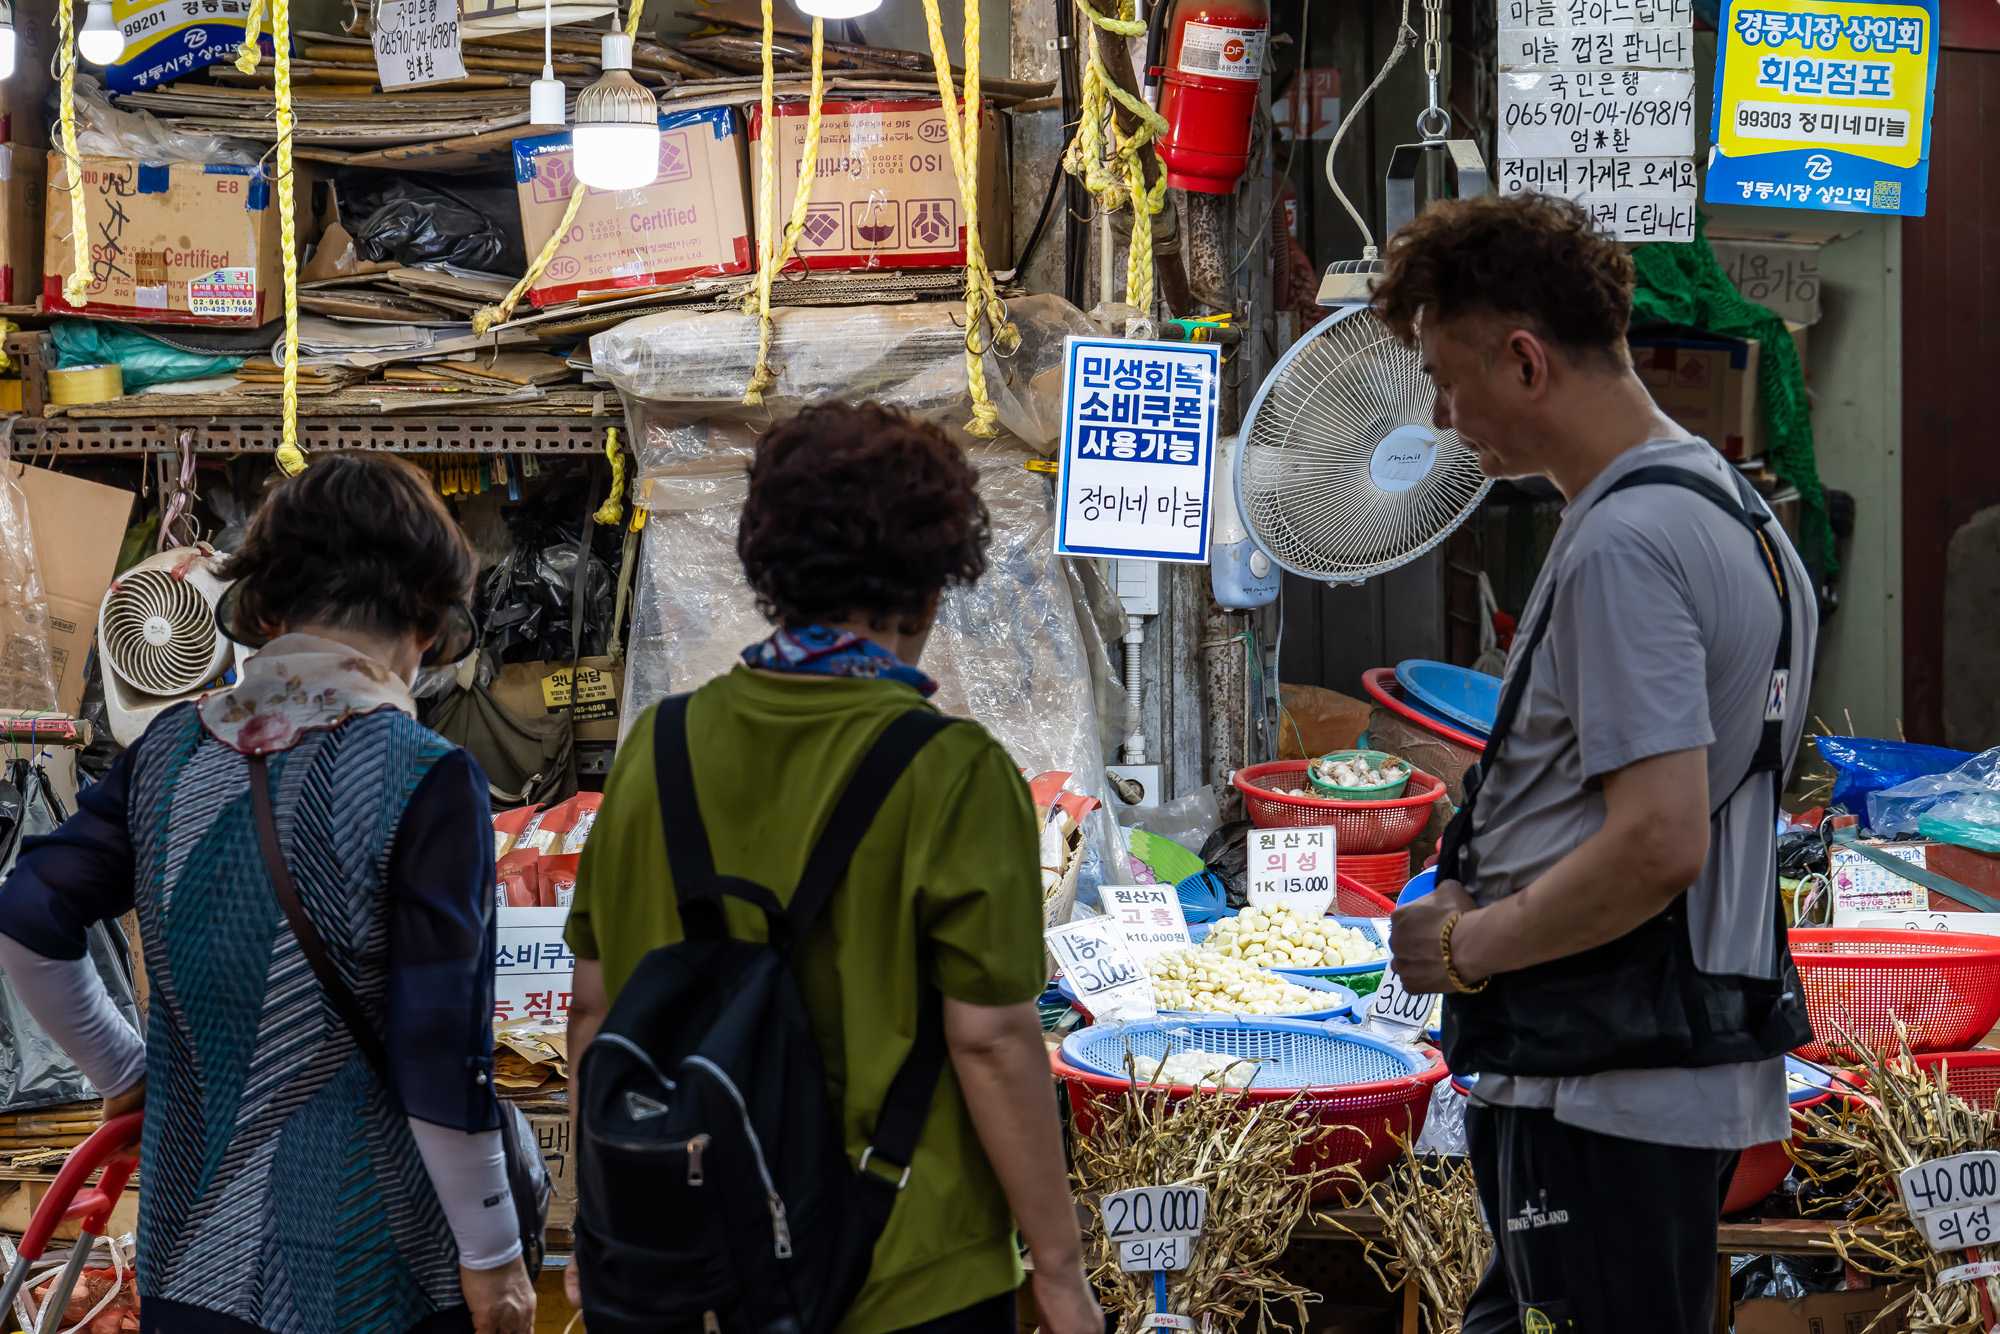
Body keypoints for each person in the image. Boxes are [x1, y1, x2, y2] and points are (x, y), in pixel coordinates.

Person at [562, 401, 1102, 1334]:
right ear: (935, 585)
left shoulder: (660, 751)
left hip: (699, 1264)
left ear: (769, 574)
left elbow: (595, 1011)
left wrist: (606, 1216)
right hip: (909, 1269)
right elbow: (990, 1041)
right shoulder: (957, 772)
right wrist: (1058, 1271)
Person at [1378, 195, 1819, 1333]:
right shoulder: (1730, 503)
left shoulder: (1626, 541)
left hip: (1606, 1079)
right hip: (1640, 1065)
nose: (1440, 412)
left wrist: (1467, 946)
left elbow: (1658, 838)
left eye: (1443, 373)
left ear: (1522, 360)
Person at [0, 453, 536, 1334]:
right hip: (376, 1274)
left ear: (269, 608)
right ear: (428, 624)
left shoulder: (168, 750)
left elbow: (26, 916)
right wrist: (495, 1262)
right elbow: (440, 1049)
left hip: (190, 1263)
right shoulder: (425, 778)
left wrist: (123, 1070)